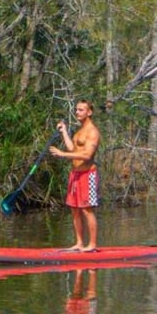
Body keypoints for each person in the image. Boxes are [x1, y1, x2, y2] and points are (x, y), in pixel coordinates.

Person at [49, 100, 101, 252]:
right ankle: (79, 243)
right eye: (76, 110)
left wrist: (62, 154)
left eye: (81, 110)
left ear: (89, 112)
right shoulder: (79, 131)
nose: (77, 112)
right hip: (75, 174)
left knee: (87, 209)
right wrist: (64, 131)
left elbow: (87, 155)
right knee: (75, 209)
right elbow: (73, 149)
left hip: (88, 174)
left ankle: (92, 245)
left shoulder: (92, 132)